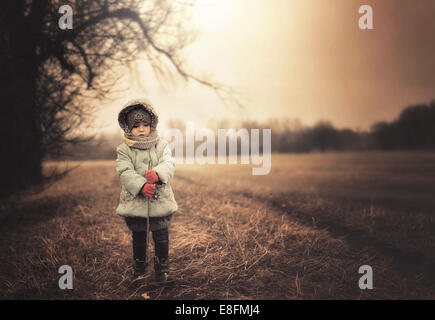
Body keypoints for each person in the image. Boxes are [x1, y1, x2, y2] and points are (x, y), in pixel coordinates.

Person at [115, 98, 178, 282]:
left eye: (145, 124)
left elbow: (169, 163)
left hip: (159, 200)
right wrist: (141, 185)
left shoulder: (161, 145)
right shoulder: (124, 149)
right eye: (136, 126)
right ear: (128, 128)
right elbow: (124, 171)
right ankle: (139, 267)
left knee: (161, 233)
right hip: (136, 201)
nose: (141, 129)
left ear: (152, 125)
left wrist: (158, 174)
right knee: (139, 235)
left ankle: (162, 268)